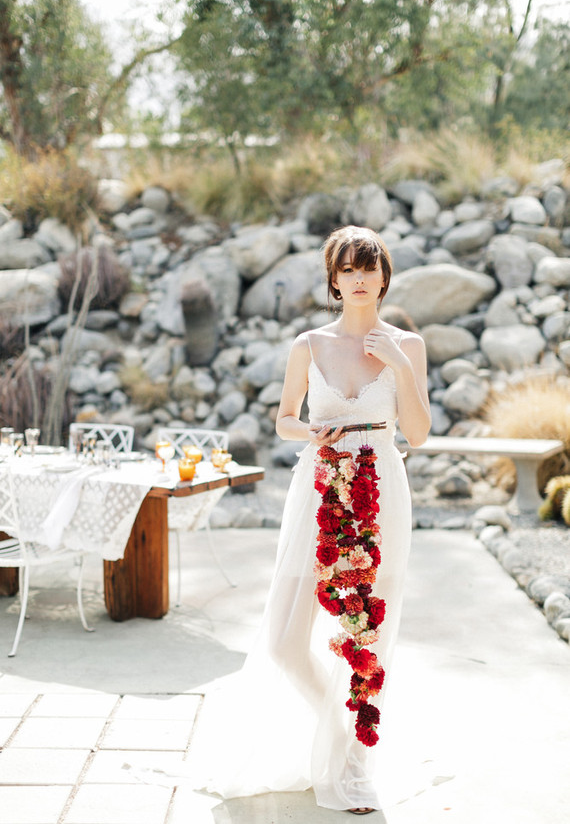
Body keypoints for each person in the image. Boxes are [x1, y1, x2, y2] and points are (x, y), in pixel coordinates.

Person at [190, 225, 430, 814]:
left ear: (384, 277)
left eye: (369, 268)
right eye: (348, 269)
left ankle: (356, 765)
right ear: (333, 280)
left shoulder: (408, 345)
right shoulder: (308, 344)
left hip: (381, 486)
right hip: (318, 487)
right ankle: (342, 733)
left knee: (369, 632)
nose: (359, 279)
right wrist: (310, 431)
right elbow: (283, 420)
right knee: (283, 639)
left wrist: (399, 365)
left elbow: (419, 434)